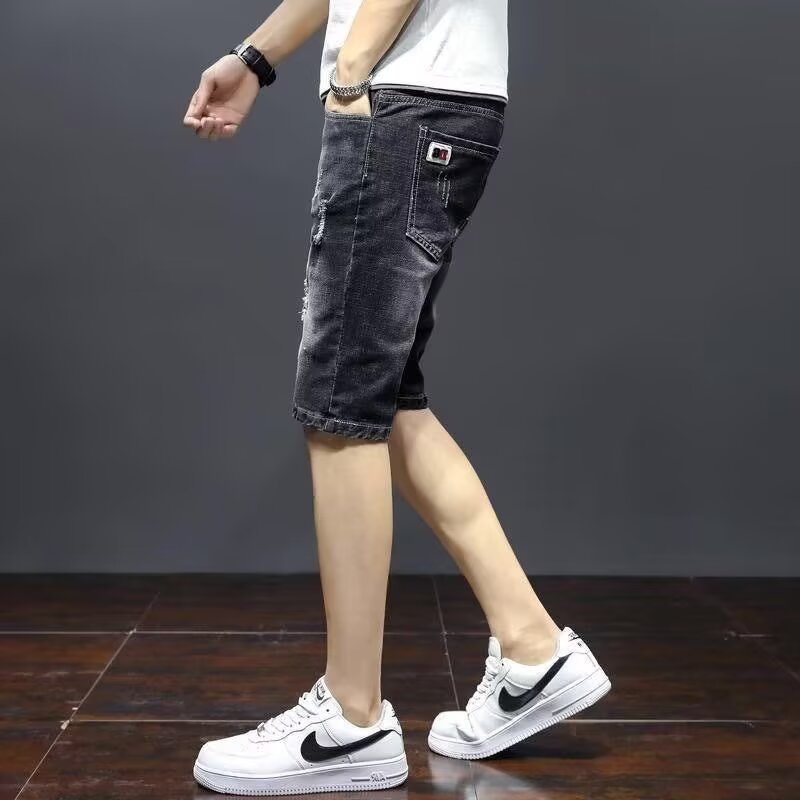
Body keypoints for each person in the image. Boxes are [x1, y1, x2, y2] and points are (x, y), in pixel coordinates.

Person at [182, 0, 611, 794]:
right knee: (385, 398)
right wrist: (255, 59)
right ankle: (533, 651)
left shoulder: (382, 84)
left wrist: (353, 73)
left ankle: (351, 721)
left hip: (403, 106)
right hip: (434, 105)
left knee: (341, 405)